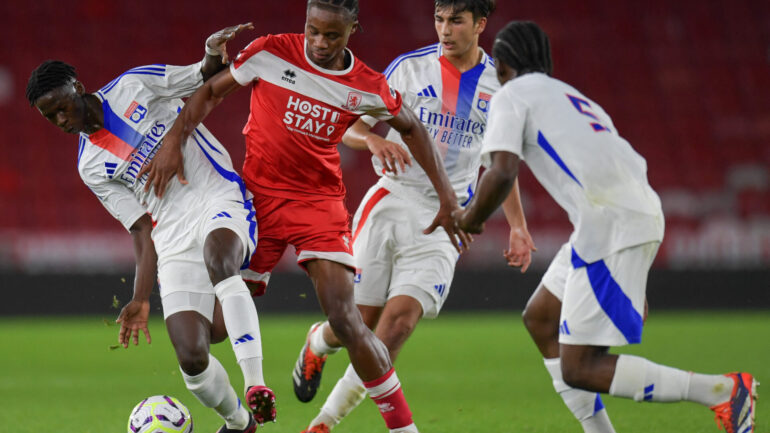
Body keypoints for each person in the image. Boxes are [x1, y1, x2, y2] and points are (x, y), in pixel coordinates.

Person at [137, 2, 469, 432]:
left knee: (347, 320)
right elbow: (210, 91)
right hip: (257, 202)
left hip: (318, 204)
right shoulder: (271, 52)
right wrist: (174, 141)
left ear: (352, 30)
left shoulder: (367, 84)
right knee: (216, 330)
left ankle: (403, 429)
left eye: (332, 35)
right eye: (313, 30)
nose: (319, 43)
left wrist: (447, 197)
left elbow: (413, 127)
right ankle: (241, 421)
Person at [455, 20, 758, 433]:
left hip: (610, 224)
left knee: (580, 366)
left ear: (502, 65)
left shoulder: (510, 95)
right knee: (542, 319)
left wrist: (467, 221)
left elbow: (502, 171)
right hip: (622, 217)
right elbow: (620, 164)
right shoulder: (575, 98)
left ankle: (721, 391)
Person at [289, 2, 539, 433]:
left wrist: (518, 226)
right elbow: (349, 126)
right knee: (358, 323)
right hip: (391, 200)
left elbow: (501, 166)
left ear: (480, 24)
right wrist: (372, 141)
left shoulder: (501, 87)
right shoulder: (408, 69)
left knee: (397, 324)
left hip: (448, 218)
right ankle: (318, 342)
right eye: (439, 19)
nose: (445, 30)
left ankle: (324, 422)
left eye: (456, 21)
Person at [26, 24, 277, 433]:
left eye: (61, 106)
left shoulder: (133, 85)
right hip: (172, 235)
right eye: (50, 116)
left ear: (77, 86)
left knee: (220, 258)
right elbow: (141, 228)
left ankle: (255, 386)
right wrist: (140, 299)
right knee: (193, 356)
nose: (60, 119)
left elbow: (203, 75)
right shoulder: (90, 167)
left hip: (216, 195)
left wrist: (213, 49)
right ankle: (240, 423)